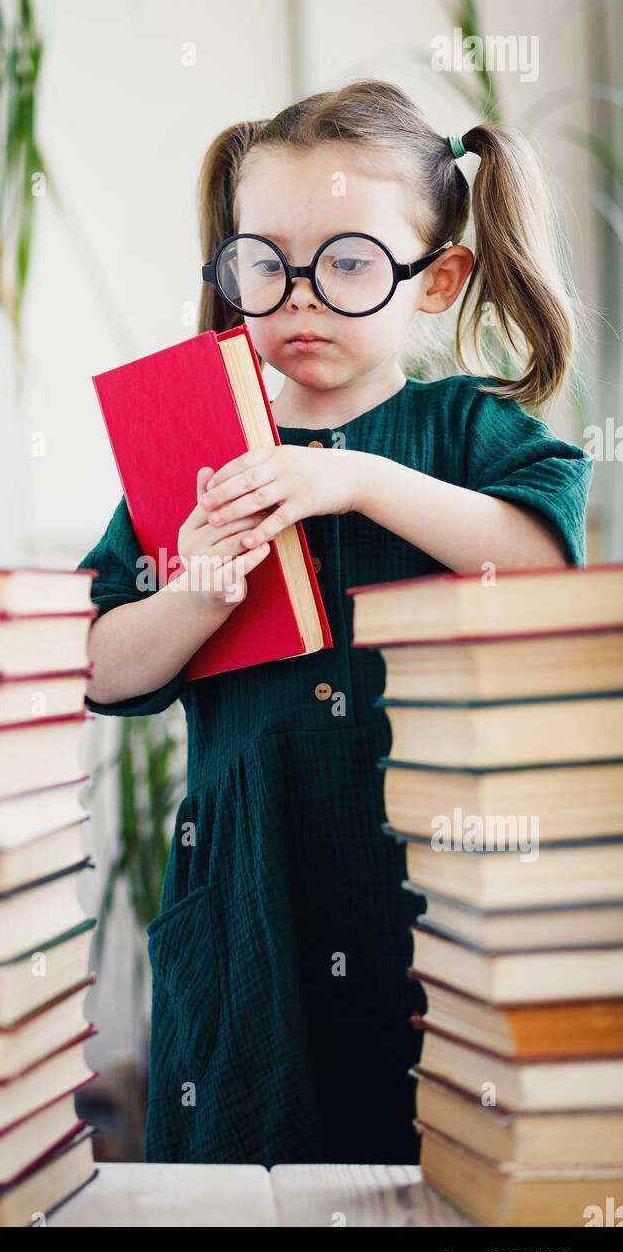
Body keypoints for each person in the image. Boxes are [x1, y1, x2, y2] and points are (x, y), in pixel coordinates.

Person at [75, 80, 594, 1167]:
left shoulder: (464, 430)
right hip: (248, 896)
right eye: (263, 262)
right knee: (244, 1159)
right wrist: (197, 593)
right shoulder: (202, 444)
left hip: (437, 888)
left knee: (441, 1167)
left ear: (435, 278)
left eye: (348, 263)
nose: (298, 298)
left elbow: (544, 565)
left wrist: (355, 479)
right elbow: (101, 667)